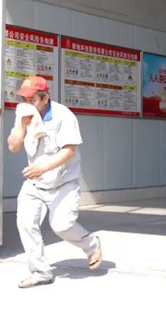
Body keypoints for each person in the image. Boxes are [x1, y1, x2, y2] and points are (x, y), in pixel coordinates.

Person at [7, 76, 102, 289]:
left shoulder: (63, 116)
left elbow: (69, 150)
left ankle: (91, 244)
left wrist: (43, 167)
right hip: (35, 182)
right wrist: (22, 125)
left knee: (62, 226)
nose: (28, 104)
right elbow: (13, 146)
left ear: (45, 98)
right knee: (25, 223)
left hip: (63, 182)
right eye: (24, 99)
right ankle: (41, 272)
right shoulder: (23, 114)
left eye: (32, 100)